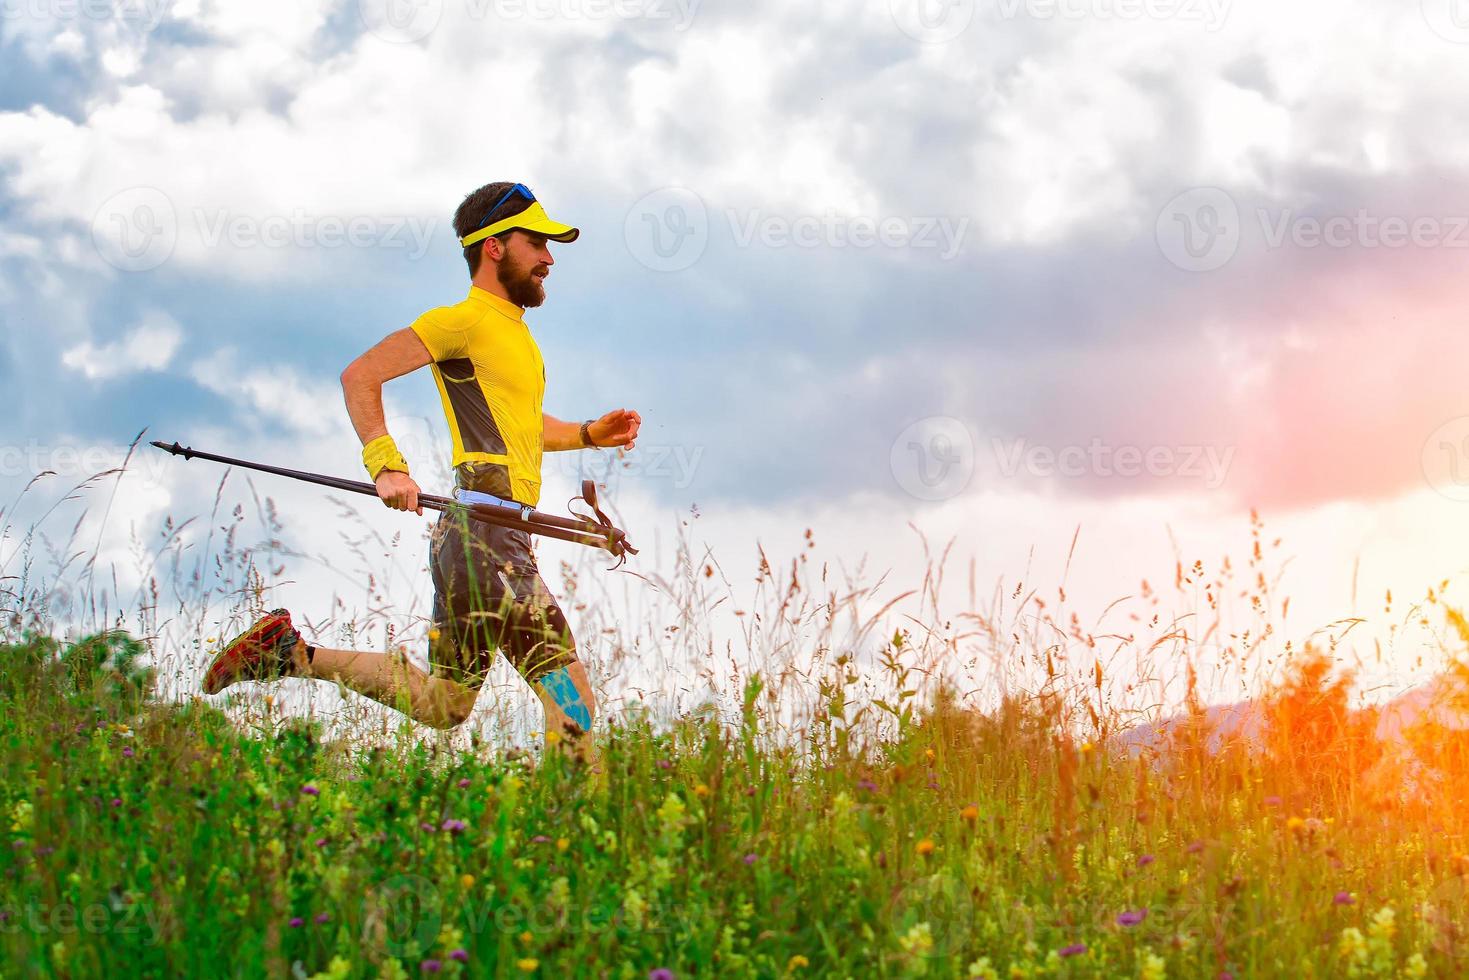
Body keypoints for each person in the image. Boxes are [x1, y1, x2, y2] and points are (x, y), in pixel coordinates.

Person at [199, 181, 640, 757]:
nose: (550, 258)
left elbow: (520, 428)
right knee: (572, 702)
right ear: (495, 247)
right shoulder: (461, 321)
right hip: (490, 540)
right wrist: (387, 467)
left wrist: (586, 434)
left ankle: (289, 654)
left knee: (446, 703)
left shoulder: (514, 335)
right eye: (537, 243)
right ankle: (561, 834)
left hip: (477, 539)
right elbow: (361, 375)